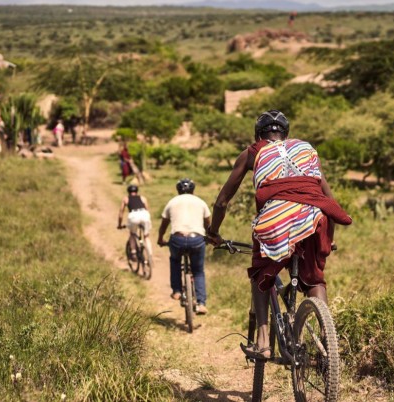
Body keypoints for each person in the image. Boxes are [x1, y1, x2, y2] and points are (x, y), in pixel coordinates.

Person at [206, 110, 352, 359]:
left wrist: (214, 232)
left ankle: (263, 343)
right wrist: (329, 238)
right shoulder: (305, 148)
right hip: (317, 217)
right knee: (315, 280)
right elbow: (328, 200)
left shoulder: (253, 151)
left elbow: (221, 203)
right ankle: (328, 345)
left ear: (258, 133)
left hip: (275, 220)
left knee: (261, 274)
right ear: (287, 133)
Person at [157, 178, 211, 315]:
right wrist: (209, 237)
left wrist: (160, 238)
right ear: (193, 190)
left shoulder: (172, 202)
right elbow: (208, 224)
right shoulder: (200, 202)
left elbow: (164, 224)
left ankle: (176, 291)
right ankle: (201, 303)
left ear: (178, 190)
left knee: (175, 261)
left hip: (178, 239)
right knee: (198, 271)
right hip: (197, 240)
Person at [117, 185, 153, 262]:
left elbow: (121, 213)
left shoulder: (126, 199)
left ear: (128, 192)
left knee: (132, 234)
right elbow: (147, 209)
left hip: (133, 216)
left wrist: (119, 224)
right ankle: (150, 254)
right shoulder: (143, 198)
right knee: (146, 236)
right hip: (145, 214)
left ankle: (133, 252)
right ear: (137, 191)